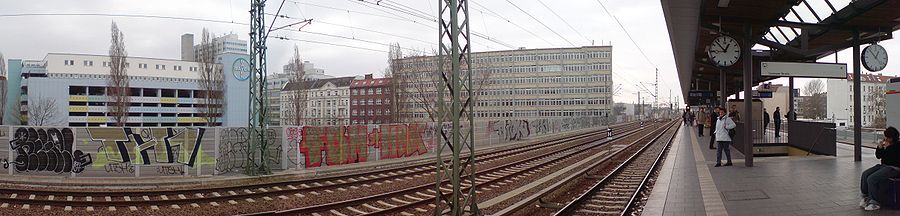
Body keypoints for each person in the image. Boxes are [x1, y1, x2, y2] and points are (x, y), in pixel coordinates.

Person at [859, 127, 900, 211]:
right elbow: (879, 156)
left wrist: (887, 148)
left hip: (894, 168)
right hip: (884, 166)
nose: (886, 139)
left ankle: (875, 202)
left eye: (888, 137)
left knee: (872, 179)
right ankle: (866, 197)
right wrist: (879, 147)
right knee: (865, 174)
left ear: (892, 137)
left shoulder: (898, 145)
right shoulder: (887, 143)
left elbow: (892, 159)